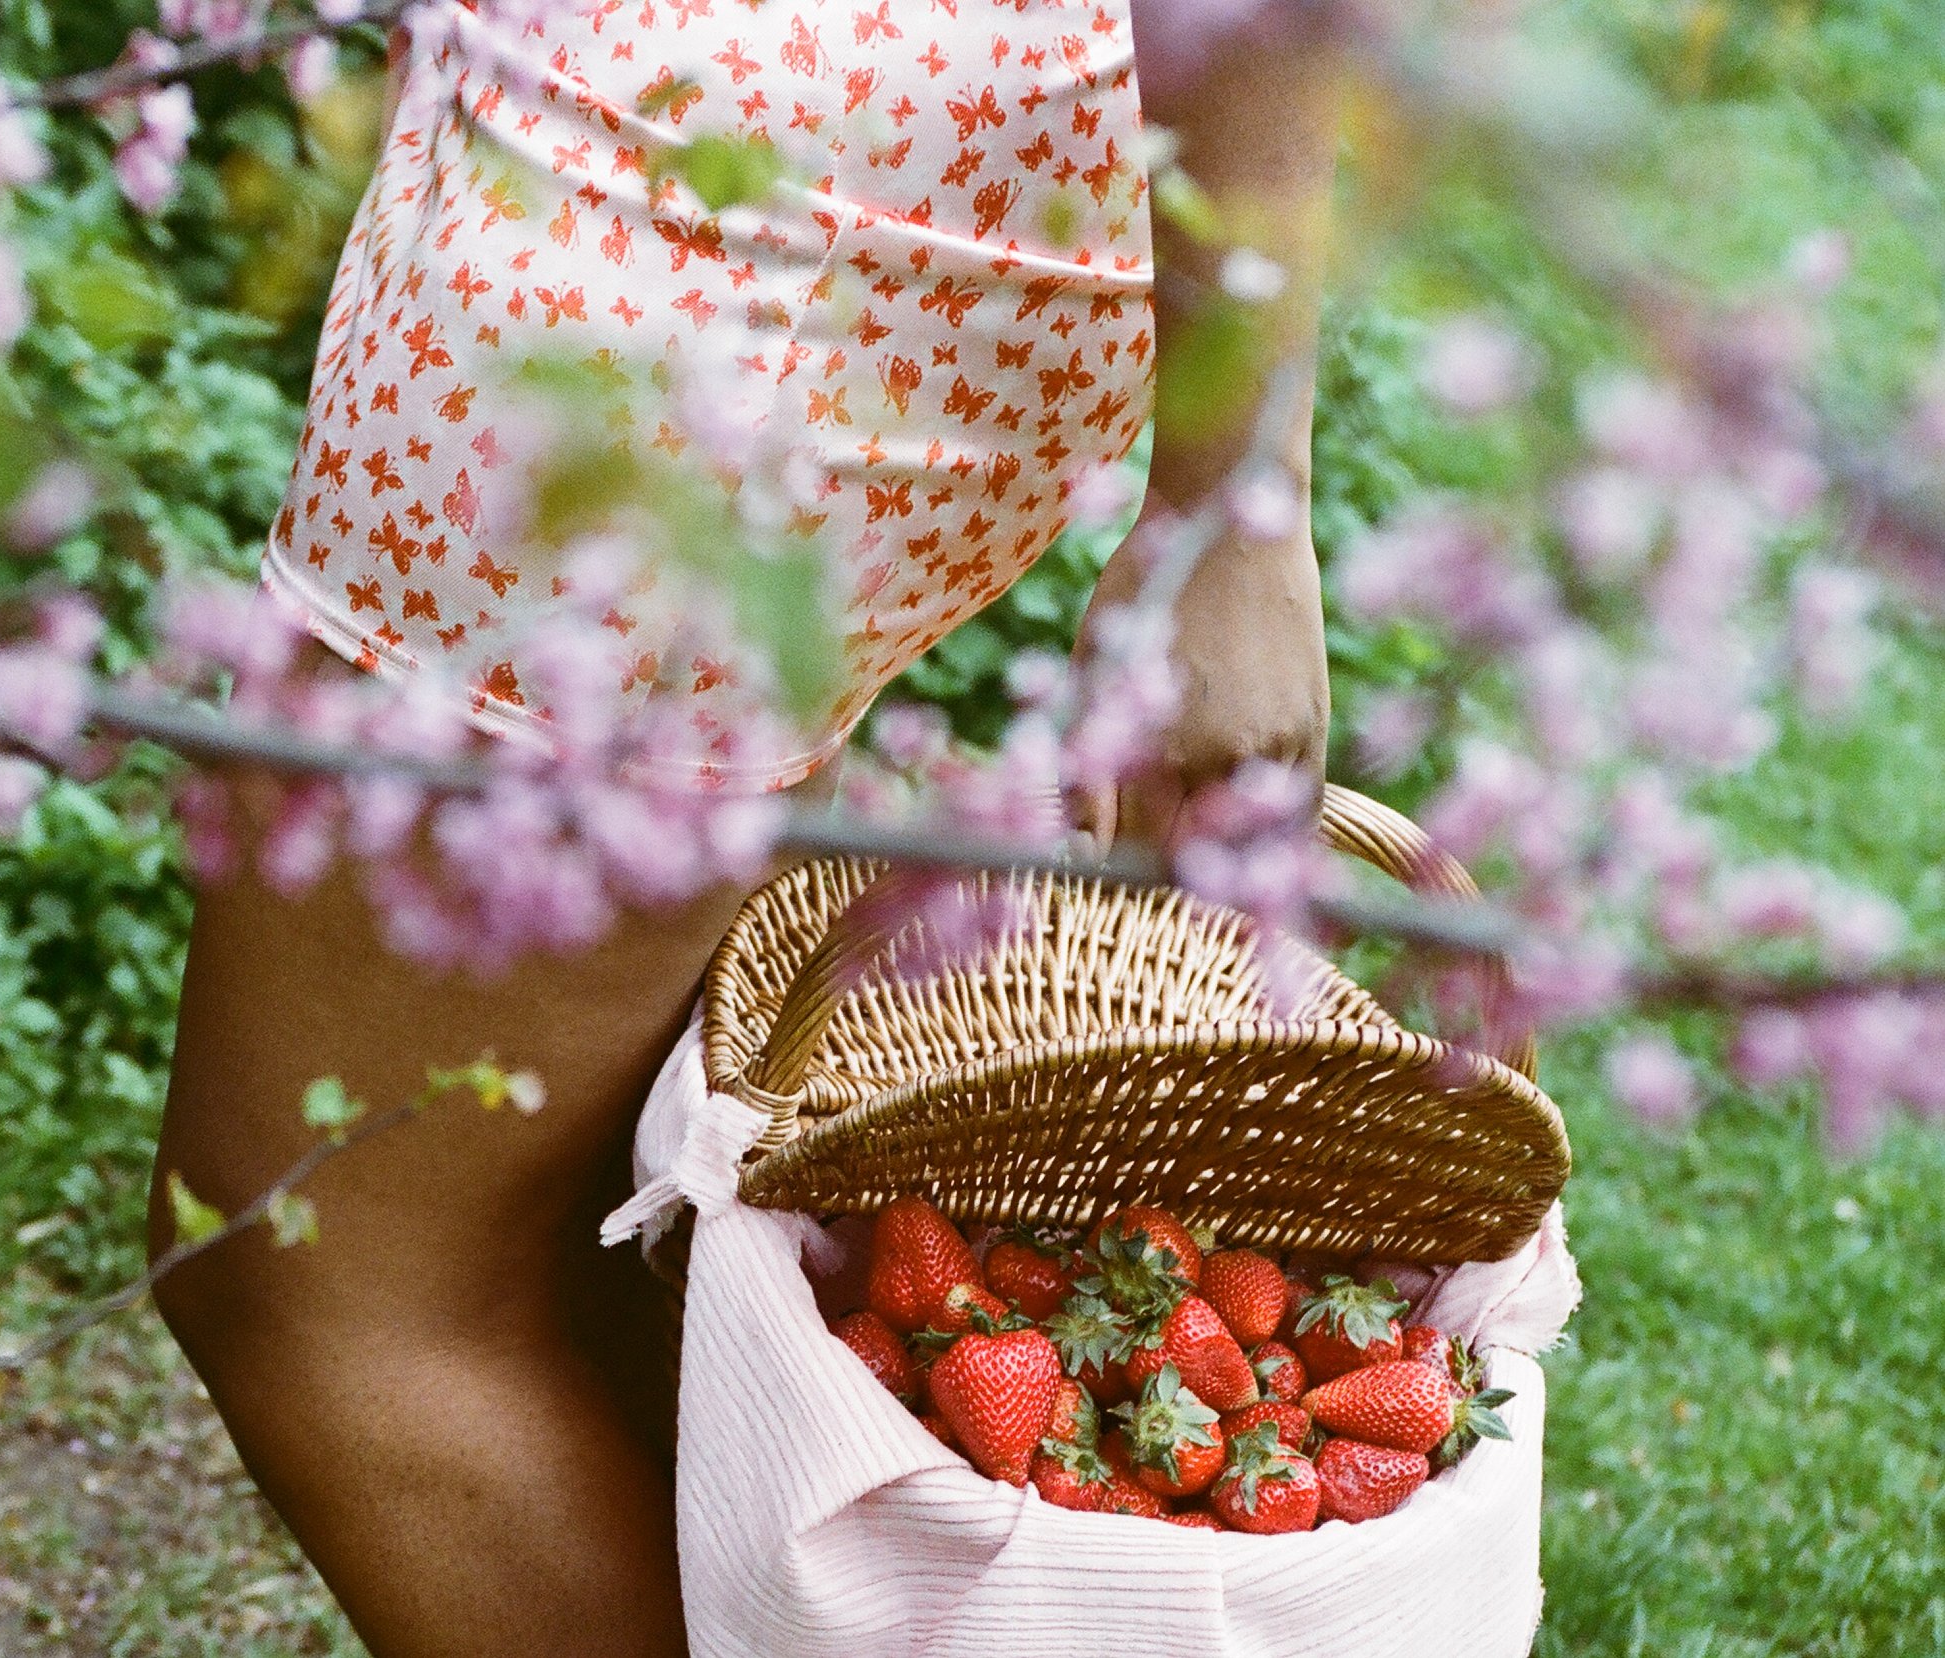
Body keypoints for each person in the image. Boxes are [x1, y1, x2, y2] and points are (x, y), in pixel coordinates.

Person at [151, 0, 1338, 1651]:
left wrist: (1241, 498)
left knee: (321, 1278)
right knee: (555, 1246)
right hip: (798, 181)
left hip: (697, 216)